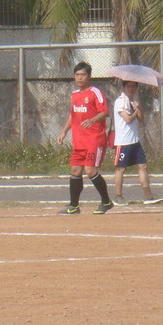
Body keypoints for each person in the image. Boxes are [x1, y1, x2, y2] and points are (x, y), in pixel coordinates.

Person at [56, 62, 114, 215]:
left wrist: (92, 120)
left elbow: (105, 112)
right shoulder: (75, 94)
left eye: (83, 75)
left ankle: (106, 202)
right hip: (79, 140)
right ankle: (74, 206)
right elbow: (73, 114)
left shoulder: (95, 92)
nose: (79, 78)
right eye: (77, 75)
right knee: (75, 170)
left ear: (89, 76)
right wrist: (64, 131)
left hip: (94, 139)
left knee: (90, 170)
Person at [111, 80, 163, 206]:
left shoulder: (133, 102)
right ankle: (118, 196)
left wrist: (138, 108)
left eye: (134, 86)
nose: (131, 89)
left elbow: (141, 119)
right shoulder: (120, 101)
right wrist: (135, 111)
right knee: (121, 169)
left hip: (134, 140)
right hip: (123, 142)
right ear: (124, 87)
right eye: (128, 86)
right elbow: (128, 119)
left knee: (143, 166)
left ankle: (148, 195)